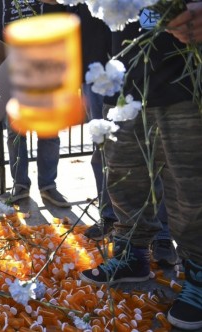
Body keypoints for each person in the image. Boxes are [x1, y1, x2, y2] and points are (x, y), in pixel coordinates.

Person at [78, 2, 202, 330]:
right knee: (122, 175)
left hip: (184, 79)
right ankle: (132, 255)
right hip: (128, 79)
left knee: (188, 189)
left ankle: (200, 275)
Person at [73, 3, 178, 266]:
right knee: (111, 154)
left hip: (165, 67)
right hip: (109, 69)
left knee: (161, 156)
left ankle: (162, 234)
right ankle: (121, 227)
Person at [0, 0, 71, 207]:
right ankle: (20, 186)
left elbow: (70, 10)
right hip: (11, 65)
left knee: (49, 130)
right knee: (16, 131)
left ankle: (48, 186)